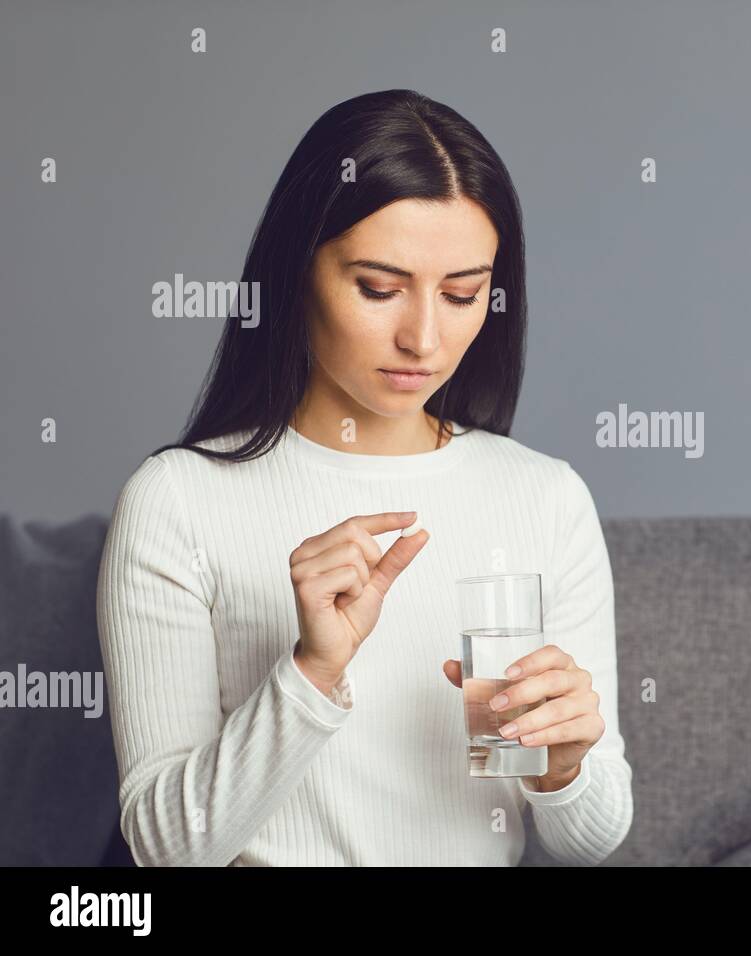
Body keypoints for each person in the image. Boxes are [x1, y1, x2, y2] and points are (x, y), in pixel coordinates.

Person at [95, 89, 633, 866]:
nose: (423, 337)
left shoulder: (543, 498)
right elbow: (167, 849)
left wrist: (564, 769)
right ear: (296, 273)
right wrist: (311, 672)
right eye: (378, 289)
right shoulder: (178, 501)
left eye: (461, 294)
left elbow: (593, 839)